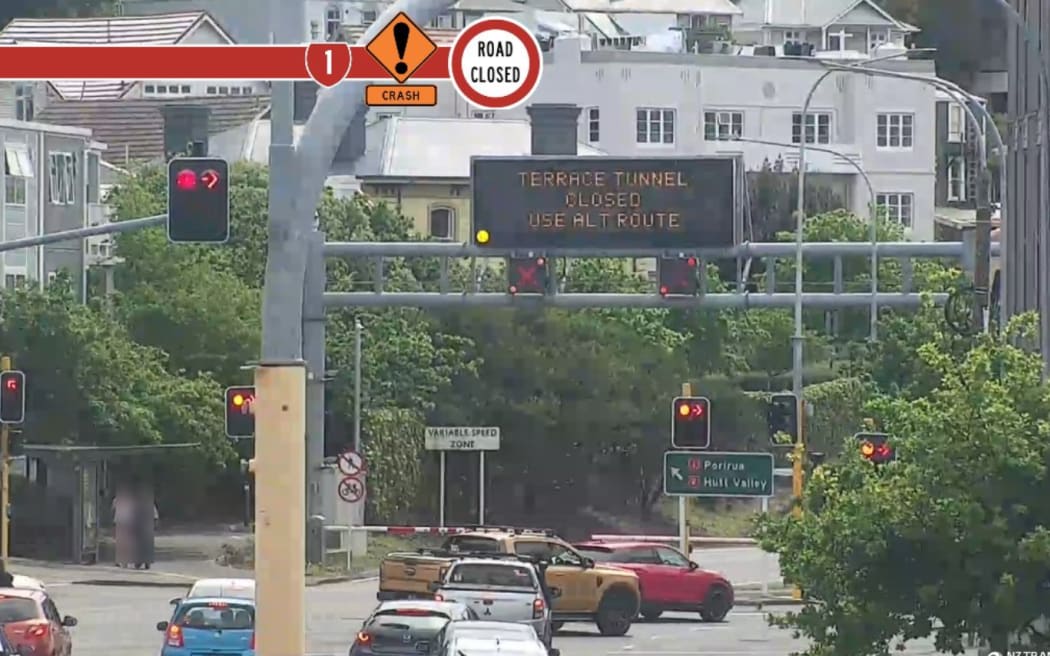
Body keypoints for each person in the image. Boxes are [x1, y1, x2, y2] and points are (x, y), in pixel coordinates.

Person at [132, 486, 157, 570]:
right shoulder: (147, 505)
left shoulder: (138, 505)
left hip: (142, 528)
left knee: (142, 546)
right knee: (143, 546)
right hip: (144, 528)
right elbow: (155, 517)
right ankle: (143, 562)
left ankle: (142, 562)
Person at [112, 485, 135, 567]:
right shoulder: (130, 500)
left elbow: (113, 509)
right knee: (126, 542)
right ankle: (125, 561)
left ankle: (119, 560)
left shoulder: (116, 500)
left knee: (120, 542)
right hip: (126, 522)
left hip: (119, 522)